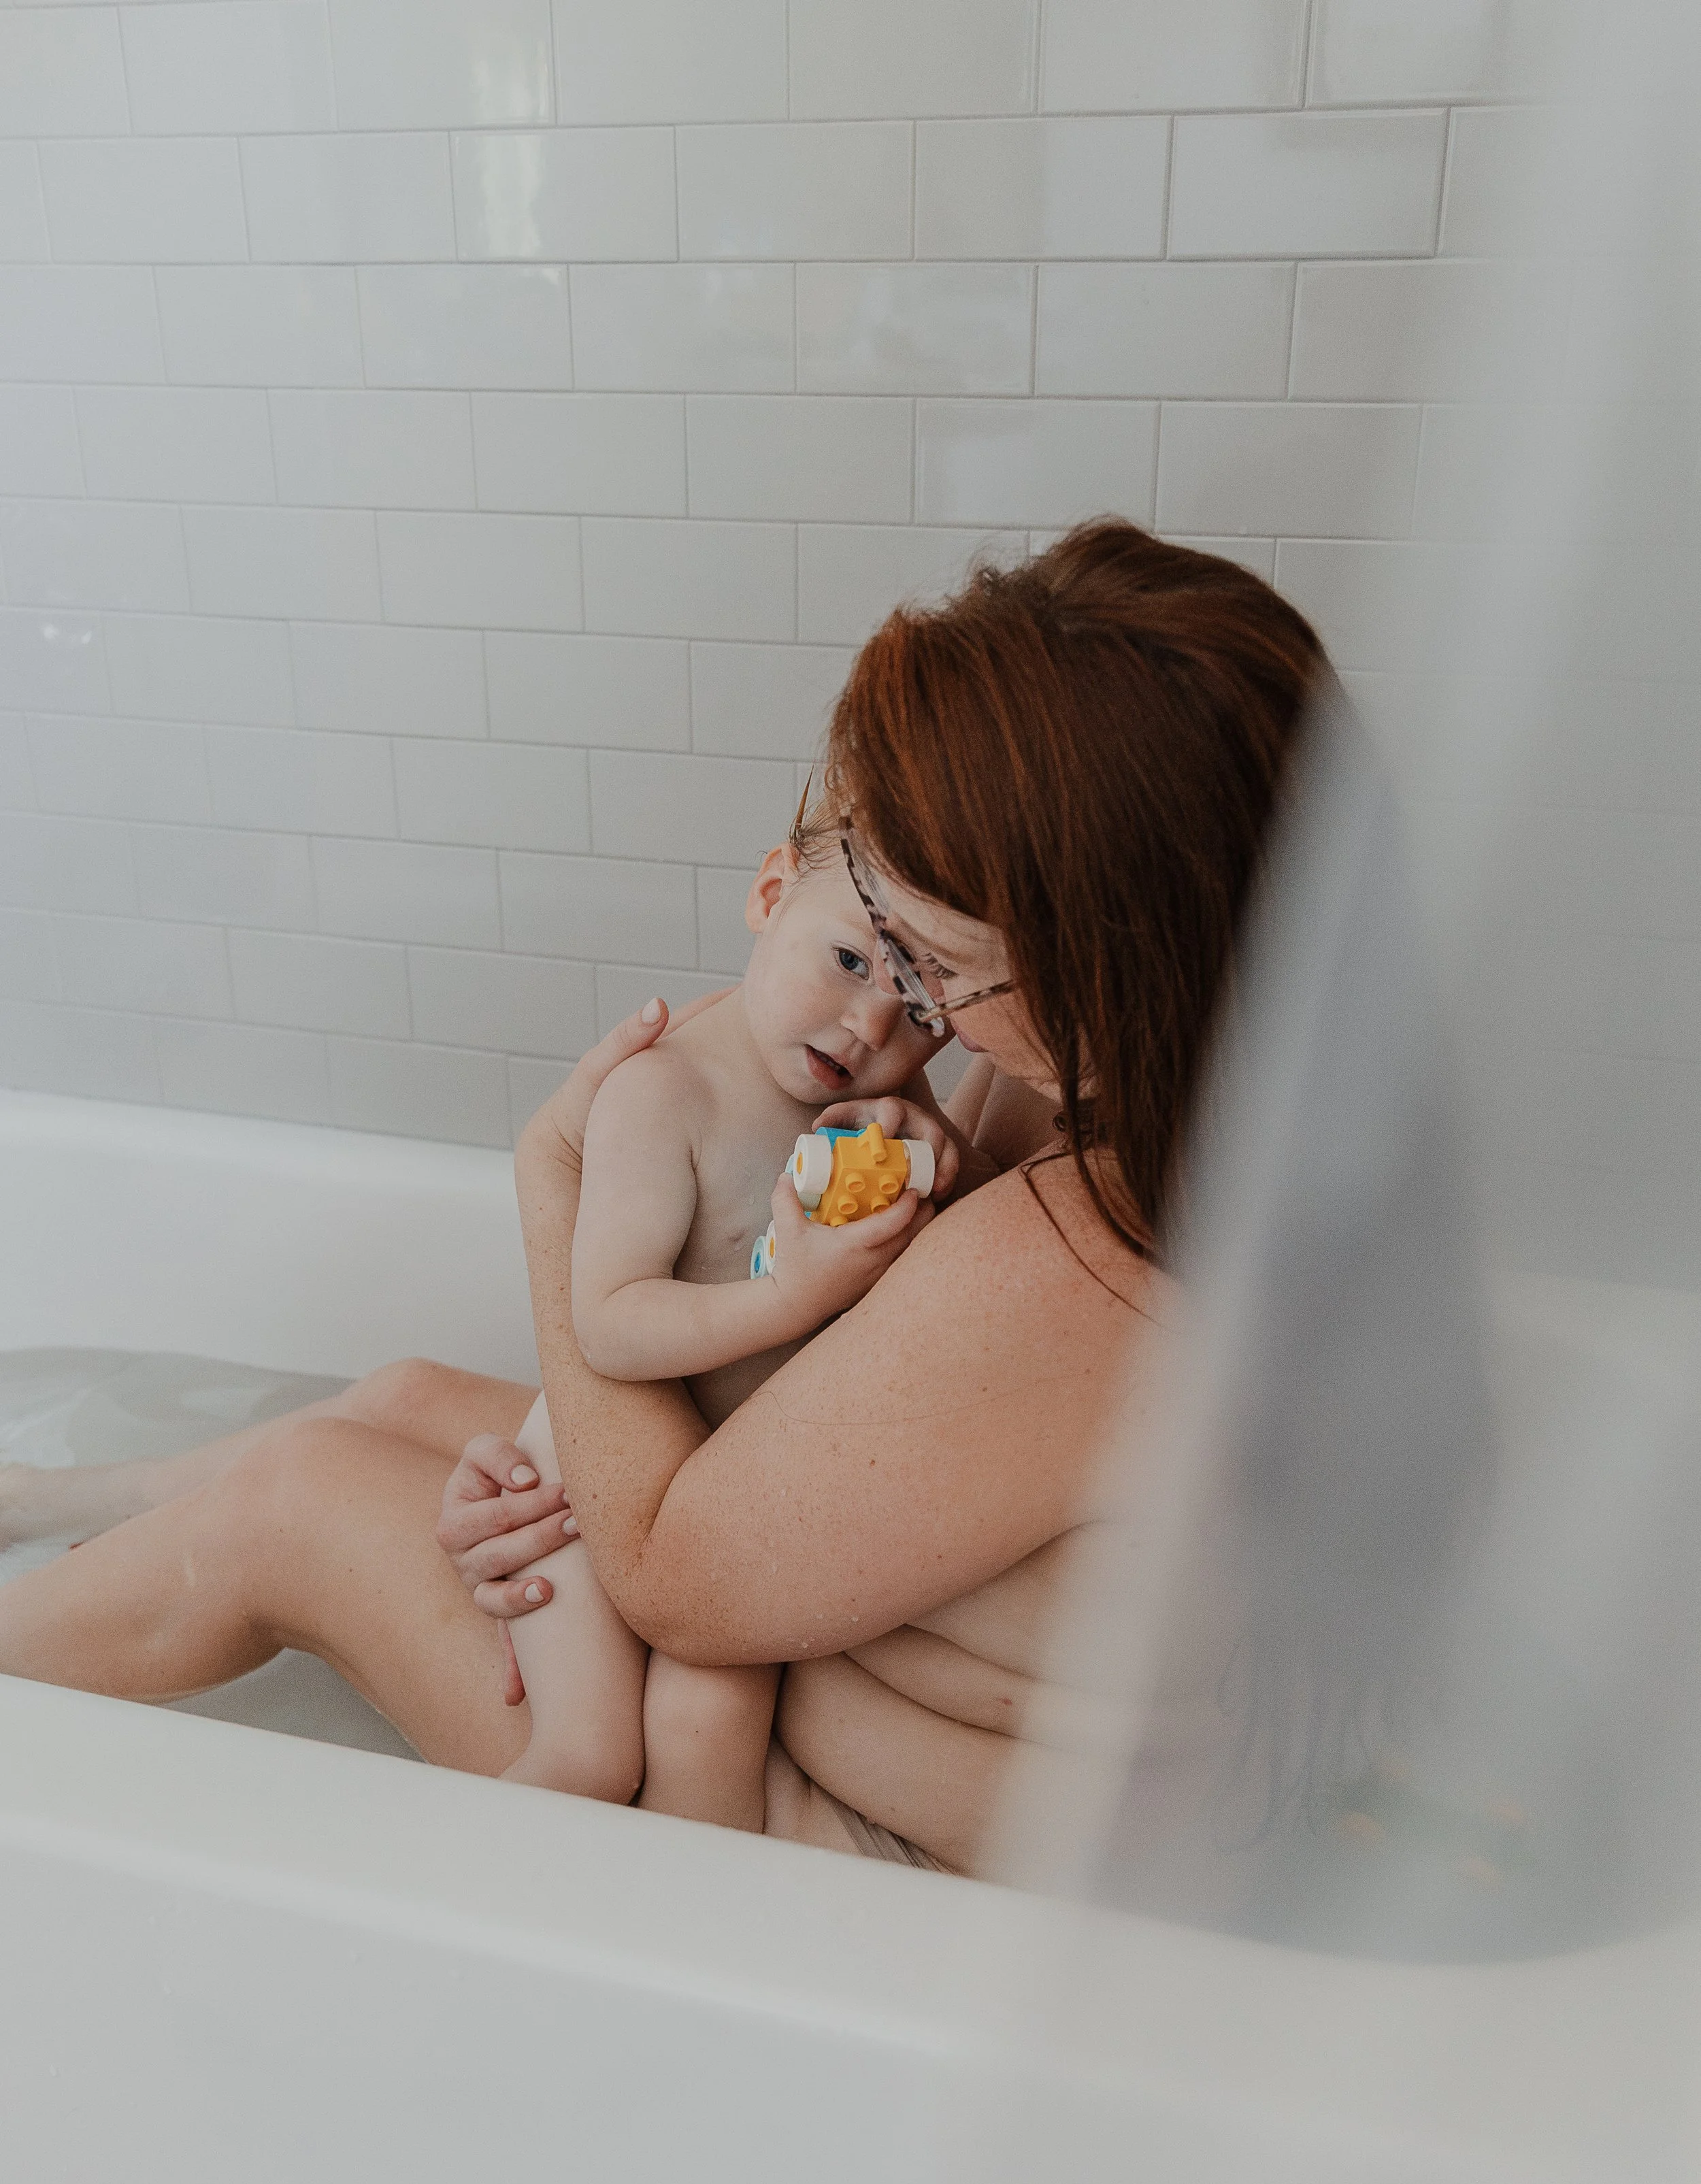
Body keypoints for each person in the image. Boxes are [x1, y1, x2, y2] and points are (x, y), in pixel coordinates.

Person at [0, 521, 1327, 1883]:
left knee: (294, 1496)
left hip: (831, 1849)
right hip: (853, 1668)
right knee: (401, 1398)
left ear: (1104, 949)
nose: (910, 996)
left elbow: (668, 1575)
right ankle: (58, 1501)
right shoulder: (1156, 1106)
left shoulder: (1080, 1261)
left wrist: (553, 1183)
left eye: (940, 954)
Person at [499, 801, 951, 1825]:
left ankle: (678, 1949)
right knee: (589, 1756)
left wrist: (935, 1165)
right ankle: (428, 1933)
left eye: (923, 1010)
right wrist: (786, 1297)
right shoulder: (669, 1092)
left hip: (731, 1505)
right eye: (850, 960)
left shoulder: (880, 1124)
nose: (871, 1025)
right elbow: (607, 1323)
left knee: (712, 1733)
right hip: (585, 1490)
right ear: (769, 894)